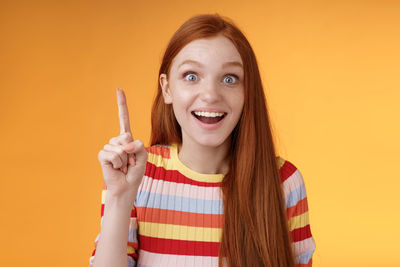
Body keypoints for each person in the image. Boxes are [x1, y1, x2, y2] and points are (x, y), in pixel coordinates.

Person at [90, 14, 316, 267]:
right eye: (191, 76)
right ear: (167, 89)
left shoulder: (284, 182)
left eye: (229, 79)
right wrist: (120, 197)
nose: (210, 95)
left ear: (247, 91)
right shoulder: (137, 174)